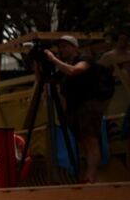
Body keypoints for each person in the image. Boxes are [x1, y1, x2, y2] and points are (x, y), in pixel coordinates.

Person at [45, 35, 114, 183]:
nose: (62, 50)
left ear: (74, 47)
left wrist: (53, 60)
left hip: (88, 105)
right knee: (82, 142)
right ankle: (87, 174)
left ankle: (91, 176)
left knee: (90, 140)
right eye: (60, 47)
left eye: (65, 46)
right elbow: (46, 81)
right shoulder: (62, 67)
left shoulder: (84, 60)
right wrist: (41, 65)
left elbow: (74, 71)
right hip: (73, 108)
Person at [100, 30, 130, 140]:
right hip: (114, 90)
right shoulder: (108, 56)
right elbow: (100, 73)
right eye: (122, 39)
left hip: (127, 89)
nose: (125, 42)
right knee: (113, 117)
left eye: (126, 39)